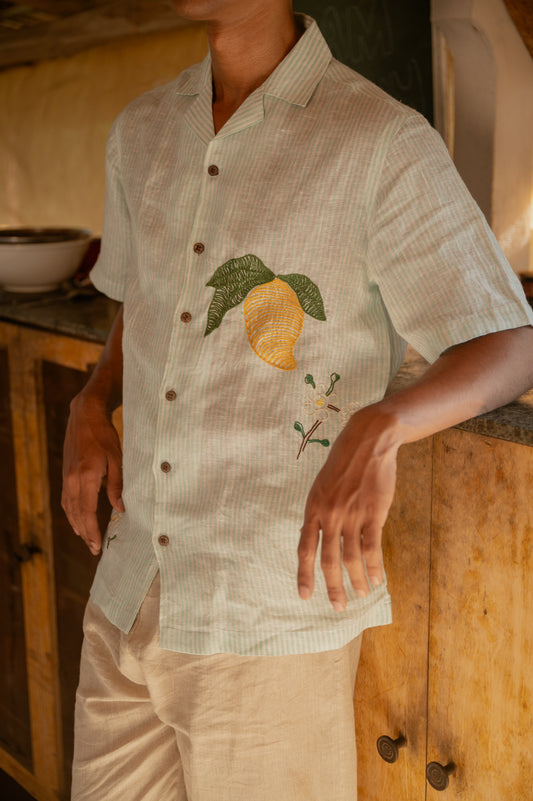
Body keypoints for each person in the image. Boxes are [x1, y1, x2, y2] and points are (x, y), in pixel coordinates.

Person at [62, 1, 533, 799]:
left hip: (268, 612)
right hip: (129, 585)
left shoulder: (379, 140)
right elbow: (138, 305)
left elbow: (510, 342)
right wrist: (91, 398)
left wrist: (385, 422)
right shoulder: (139, 130)